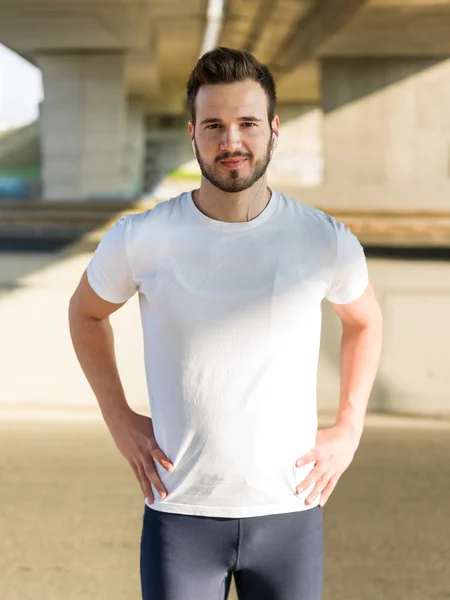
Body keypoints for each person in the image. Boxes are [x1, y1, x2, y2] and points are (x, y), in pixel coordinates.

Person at [69, 47, 383, 600]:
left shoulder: (323, 239)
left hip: (289, 512)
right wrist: (119, 419)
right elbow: (86, 313)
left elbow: (364, 322)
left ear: (273, 130)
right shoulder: (140, 237)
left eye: (247, 124)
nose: (231, 141)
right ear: (192, 132)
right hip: (180, 515)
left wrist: (349, 429)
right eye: (214, 125)